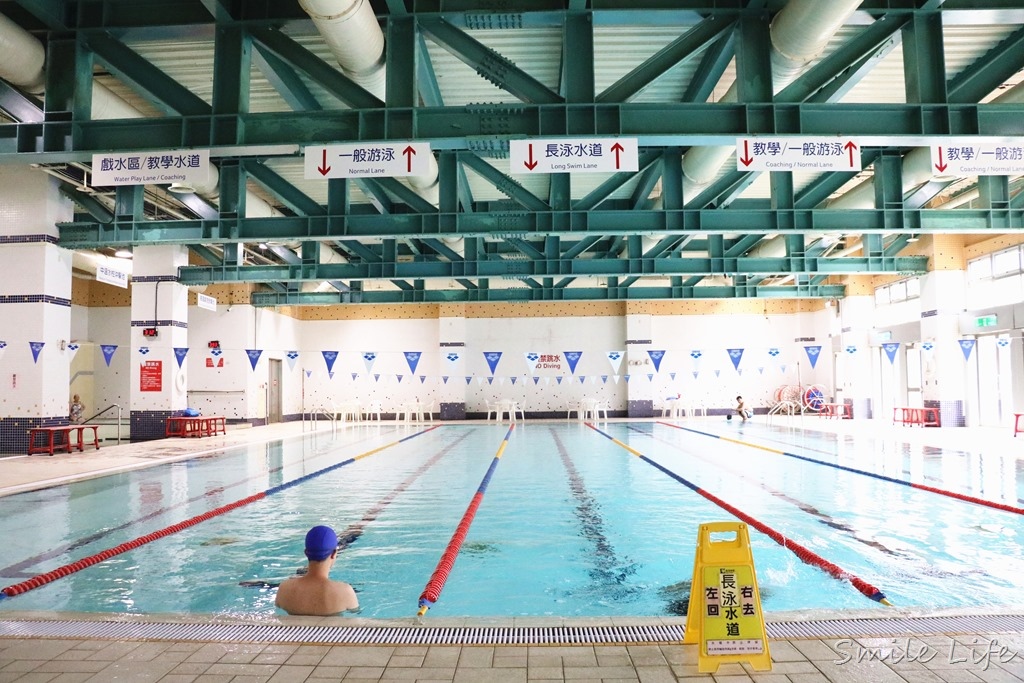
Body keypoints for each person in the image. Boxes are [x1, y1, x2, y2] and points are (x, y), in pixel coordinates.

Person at [275, 525, 359, 616]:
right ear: (334, 554)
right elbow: (356, 616)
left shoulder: (284, 588)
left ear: (306, 553)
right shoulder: (344, 591)